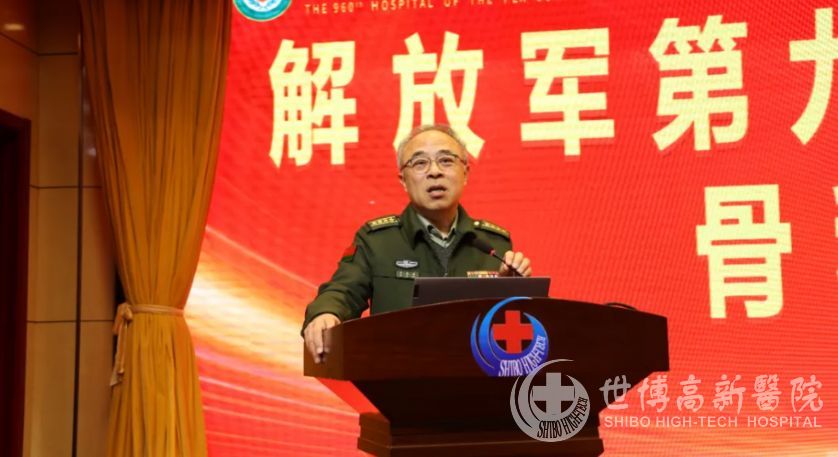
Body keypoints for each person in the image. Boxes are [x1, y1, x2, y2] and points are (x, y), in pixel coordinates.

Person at [302, 124, 532, 362]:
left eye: (446, 160)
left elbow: (514, 331)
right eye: (420, 163)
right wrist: (325, 313)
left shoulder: (493, 243)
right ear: (403, 180)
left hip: (475, 375)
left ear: (466, 173)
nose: (434, 172)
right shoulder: (377, 241)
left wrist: (515, 290)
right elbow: (342, 291)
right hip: (397, 374)